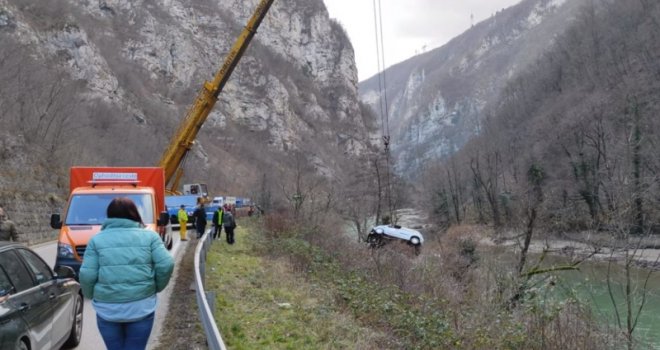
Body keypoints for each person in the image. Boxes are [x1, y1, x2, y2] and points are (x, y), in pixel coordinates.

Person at [79, 197, 174, 350]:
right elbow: (166, 263)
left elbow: (86, 274)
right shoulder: (150, 237)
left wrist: (92, 295)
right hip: (141, 307)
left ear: (109, 215)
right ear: (135, 214)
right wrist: (156, 287)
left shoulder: (96, 240)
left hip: (107, 309)